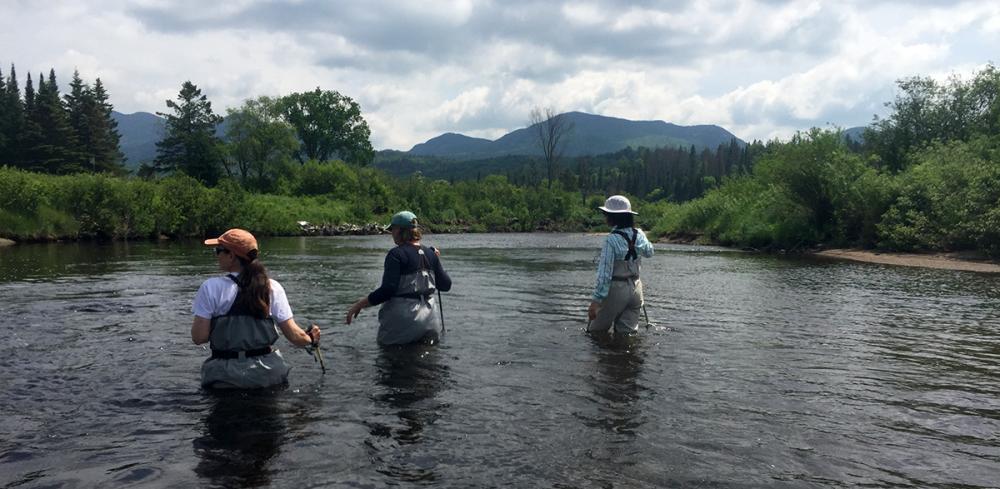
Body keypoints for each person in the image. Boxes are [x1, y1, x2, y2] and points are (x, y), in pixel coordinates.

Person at [191, 228, 320, 389]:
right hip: (266, 374)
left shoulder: (210, 288)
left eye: (218, 251)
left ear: (231, 256)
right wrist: (311, 339)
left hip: (224, 377)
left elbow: (199, 338)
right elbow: (295, 336)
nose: (216, 255)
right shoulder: (272, 287)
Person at [345, 211, 452, 345]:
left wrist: (359, 305)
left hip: (404, 319)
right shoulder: (430, 254)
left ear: (400, 231)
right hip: (430, 319)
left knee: (392, 360)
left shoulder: (396, 254)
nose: (391, 234)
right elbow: (445, 285)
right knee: (428, 362)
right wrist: (435, 261)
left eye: (393, 229)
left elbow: (388, 290)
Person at [587, 195, 654, 334]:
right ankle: (626, 356)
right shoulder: (639, 234)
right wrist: (640, 237)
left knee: (595, 333)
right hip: (636, 289)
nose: (605, 218)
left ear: (613, 217)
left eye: (606, 215)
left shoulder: (611, 240)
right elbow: (649, 252)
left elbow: (605, 274)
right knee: (627, 334)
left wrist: (596, 301)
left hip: (616, 289)